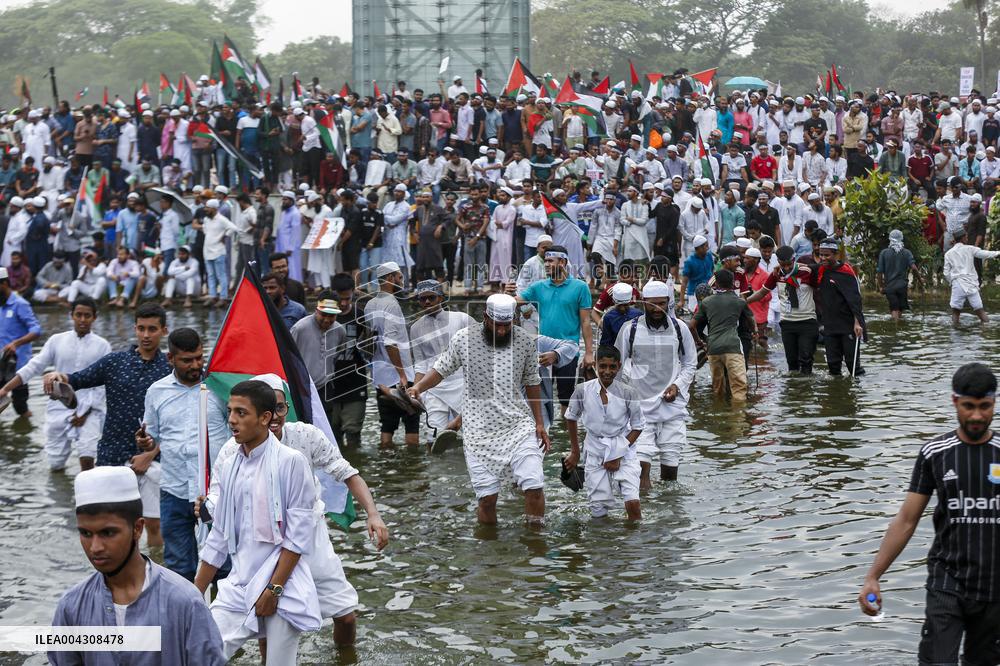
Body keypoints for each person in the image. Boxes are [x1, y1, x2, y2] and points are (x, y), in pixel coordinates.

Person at [203, 373, 388, 648]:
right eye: (270, 409)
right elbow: (218, 500)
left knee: (346, 616)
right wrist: (209, 507)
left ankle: (345, 658)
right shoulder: (234, 451)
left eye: (281, 407)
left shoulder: (305, 436)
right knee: (267, 621)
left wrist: (373, 514)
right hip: (264, 545)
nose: (276, 416)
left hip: (311, 541)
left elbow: (347, 473)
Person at [858, 363, 1000, 666]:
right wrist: (873, 576)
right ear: (954, 402)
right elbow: (907, 520)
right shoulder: (935, 453)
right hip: (947, 583)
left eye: (985, 407)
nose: (977, 416)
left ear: (994, 403)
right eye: (969, 406)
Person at [194, 381, 321, 663]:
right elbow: (219, 536)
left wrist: (274, 590)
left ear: (265, 418)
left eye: (241, 413)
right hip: (238, 584)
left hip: (283, 585)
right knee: (201, 654)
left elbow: (298, 537)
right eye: (230, 412)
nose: (231, 420)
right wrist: (194, 592)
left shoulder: (291, 462)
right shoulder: (230, 467)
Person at [50, 467, 225, 666]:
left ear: (138, 528)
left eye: (108, 533)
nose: (95, 547)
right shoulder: (72, 607)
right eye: (86, 534)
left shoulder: (185, 602)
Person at [407, 294, 549, 524]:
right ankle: (489, 552)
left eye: (507, 325)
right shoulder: (464, 339)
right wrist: (418, 388)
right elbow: (441, 369)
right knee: (487, 499)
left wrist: (540, 423)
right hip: (478, 432)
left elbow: (533, 382)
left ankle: (535, 546)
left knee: (533, 486)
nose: (502, 331)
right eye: (497, 325)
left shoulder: (523, 341)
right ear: (485, 317)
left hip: (518, 426)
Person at [47, 303, 172, 547]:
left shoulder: (170, 368)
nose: (146, 335)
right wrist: (56, 377)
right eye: (142, 328)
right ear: (135, 329)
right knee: (112, 523)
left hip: (153, 458)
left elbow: (178, 421)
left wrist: (151, 454)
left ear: (164, 331)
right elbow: (77, 379)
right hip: (112, 455)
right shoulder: (114, 362)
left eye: (152, 329)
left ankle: (156, 573)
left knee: (154, 524)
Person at [134, 328, 229, 582]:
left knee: (225, 568)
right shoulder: (157, 391)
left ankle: (225, 620)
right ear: (170, 359)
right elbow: (152, 436)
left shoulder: (219, 389)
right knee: (179, 568)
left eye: (199, 357)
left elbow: (238, 433)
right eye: (187, 360)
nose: (196, 365)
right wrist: (145, 442)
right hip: (174, 490)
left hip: (217, 491)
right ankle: (185, 619)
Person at [0, 297, 108, 471]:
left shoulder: (102, 346)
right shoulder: (57, 341)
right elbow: (33, 367)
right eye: (78, 315)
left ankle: (86, 496)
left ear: (95, 317)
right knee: (56, 465)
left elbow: (103, 384)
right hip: (59, 407)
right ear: (71, 315)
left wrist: (84, 413)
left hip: (90, 410)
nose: (82, 319)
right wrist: (5, 389)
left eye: (87, 316)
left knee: (87, 460)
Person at [615, 280, 697, 486]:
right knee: (640, 469)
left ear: (668, 302)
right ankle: (646, 515)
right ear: (644, 303)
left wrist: (677, 385)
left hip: (673, 410)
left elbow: (690, 364)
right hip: (640, 411)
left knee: (670, 474)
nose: (657, 309)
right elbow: (615, 366)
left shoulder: (680, 329)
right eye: (652, 304)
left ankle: (667, 514)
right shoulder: (630, 330)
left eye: (661, 303)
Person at [564, 345, 645, 521]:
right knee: (598, 509)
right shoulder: (582, 390)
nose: (607, 371)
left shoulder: (628, 392)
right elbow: (571, 418)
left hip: (623, 449)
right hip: (594, 450)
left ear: (619, 366)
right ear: (596, 365)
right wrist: (575, 451)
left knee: (633, 502)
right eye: (602, 366)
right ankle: (602, 545)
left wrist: (617, 455)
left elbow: (638, 426)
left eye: (612, 367)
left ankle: (634, 544)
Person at [514, 245, 595, 416]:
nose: (547, 264)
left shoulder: (580, 287)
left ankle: (566, 432)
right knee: (541, 396)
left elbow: (586, 322)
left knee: (566, 398)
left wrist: (589, 353)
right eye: (546, 261)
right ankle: (543, 431)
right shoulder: (538, 287)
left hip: (568, 351)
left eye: (551, 261)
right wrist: (505, 295)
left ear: (563, 262)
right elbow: (515, 302)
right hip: (542, 351)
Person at [408, 280, 474, 445]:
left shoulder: (461, 319)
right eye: (422, 299)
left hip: (462, 385)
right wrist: (417, 391)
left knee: (472, 436)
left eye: (431, 297)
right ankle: (435, 471)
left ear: (442, 298)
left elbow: (480, 352)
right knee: (433, 439)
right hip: (433, 389)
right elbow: (421, 364)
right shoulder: (415, 328)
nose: (427, 302)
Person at [365, 262, 417, 446]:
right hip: (399, 377)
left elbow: (369, 342)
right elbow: (390, 343)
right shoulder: (392, 304)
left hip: (380, 376)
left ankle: (387, 469)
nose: (402, 281)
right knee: (412, 426)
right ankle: (412, 468)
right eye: (400, 277)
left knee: (386, 427)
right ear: (389, 278)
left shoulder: (370, 304)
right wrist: (402, 375)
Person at [748, 245, 819, 374]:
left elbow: (821, 272)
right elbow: (762, 292)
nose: (786, 268)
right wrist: (744, 302)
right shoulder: (776, 274)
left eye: (789, 265)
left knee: (806, 359)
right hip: (787, 323)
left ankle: (806, 389)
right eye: (782, 265)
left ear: (794, 260)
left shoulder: (807, 272)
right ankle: (793, 389)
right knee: (791, 363)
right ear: (778, 262)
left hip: (807, 322)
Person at [692, 269, 755, 402]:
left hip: (713, 349)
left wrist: (699, 341)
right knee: (738, 388)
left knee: (718, 389)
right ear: (732, 283)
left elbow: (691, 326)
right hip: (733, 347)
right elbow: (751, 320)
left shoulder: (706, 302)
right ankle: (737, 418)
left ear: (716, 284)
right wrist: (755, 332)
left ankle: (719, 414)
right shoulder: (739, 302)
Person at [814, 237, 866, 376]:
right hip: (830, 325)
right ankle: (836, 394)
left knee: (853, 365)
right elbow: (801, 269)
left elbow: (855, 300)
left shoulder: (846, 272)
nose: (823, 258)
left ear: (836, 254)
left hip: (848, 325)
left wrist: (857, 323)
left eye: (827, 255)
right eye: (821, 255)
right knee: (833, 364)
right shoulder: (820, 270)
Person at [0, 266, 42, 417]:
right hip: (1, 364)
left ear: (4, 284)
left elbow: (36, 330)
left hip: (18, 367)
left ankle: (26, 430)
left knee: (20, 407)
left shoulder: (20, 304)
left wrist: (16, 343)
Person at [944, 228, 1000, 325]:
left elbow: (946, 273)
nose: (967, 238)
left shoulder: (948, 254)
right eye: (966, 236)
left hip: (957, 284)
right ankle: (983, 333)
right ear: (962, 238)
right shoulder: (970, 249)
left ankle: (955, 335)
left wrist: (952, 282)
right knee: (980, 311)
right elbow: (985, 254)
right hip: (971, 285)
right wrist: (998, 253)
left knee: (955, 313)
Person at [876, 229, 919, 322]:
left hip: (889, 287)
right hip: (902, 286)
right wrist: (920, 280)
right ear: (901, 239)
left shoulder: (884, 253)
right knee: (899, 310)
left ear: (890, 239)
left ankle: (895, 329)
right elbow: (914, 268)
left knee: (894, 309)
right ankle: (900, 330)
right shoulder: (907, 252)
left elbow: (879, 272)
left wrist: (880, 287)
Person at [600, 282, 642, 347]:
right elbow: (606, 343)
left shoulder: (639, 315)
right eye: (619, 305)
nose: (622, 309)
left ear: (630, 302)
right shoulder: (608, 318)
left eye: (625, 305)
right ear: (613, 302)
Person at [679, 235, 714, 311]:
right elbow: (684, 282)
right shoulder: (689, 261)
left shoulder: (709, 255)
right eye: (705, 246)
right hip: (694, 293)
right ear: (699, 248)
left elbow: (712, 272)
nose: (707, 248)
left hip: (709, 291)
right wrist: (681, 300)